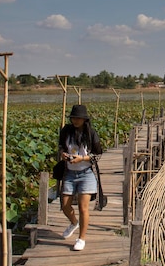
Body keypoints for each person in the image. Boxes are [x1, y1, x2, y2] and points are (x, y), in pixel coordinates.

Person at [58, 104, 102, 251]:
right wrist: (63, 154)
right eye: (73, 118)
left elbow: (98, 155)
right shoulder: (66, 131)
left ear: (84, 119)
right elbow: (61, 147)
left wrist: (82, 159)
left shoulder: (91, 133)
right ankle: (73, 222)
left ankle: (81, 238)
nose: (75, 121)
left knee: (84, 208)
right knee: (65, 205)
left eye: (78, 118)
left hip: (86, 173)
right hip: (69, 173)